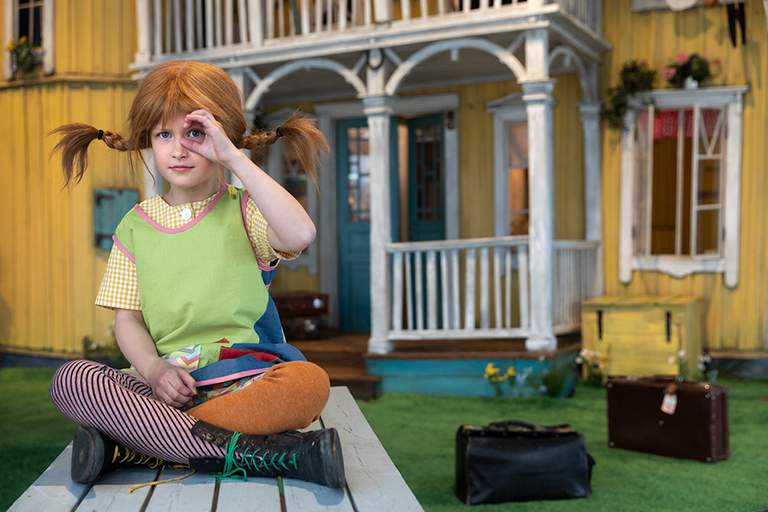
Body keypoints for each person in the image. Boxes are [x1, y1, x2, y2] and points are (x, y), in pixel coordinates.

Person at [47, 60, 345, 489]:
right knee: (73, 379)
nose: (178, 149)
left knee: (308, 383)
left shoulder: (245, 210)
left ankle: (136, 442)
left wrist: (234, 158)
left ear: (223, 136)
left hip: (245, 379)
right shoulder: (134, 226)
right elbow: (127, 320)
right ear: (148, 140)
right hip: (167, 385)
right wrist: (152, 371)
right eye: (164, 135)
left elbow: (300, 233)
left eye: (195, 133)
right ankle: (265, 453)